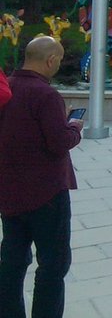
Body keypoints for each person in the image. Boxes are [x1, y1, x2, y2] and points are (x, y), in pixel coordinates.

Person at [0, 36, 83, 318]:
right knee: (52, 265)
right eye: (58, 60)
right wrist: (73, 128)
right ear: (50, 61)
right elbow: (58, 143)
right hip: (47, 194)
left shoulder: (6, 88)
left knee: (12, 262)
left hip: (10, 192)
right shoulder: (45, 95)